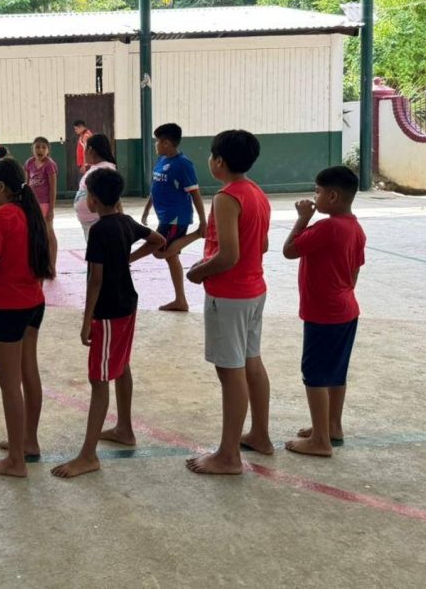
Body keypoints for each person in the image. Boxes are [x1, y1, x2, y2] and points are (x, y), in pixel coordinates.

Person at [52, 169, 165, 479]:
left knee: (100, 380)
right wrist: (130, 259)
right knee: (122, 364)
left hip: (109, 311)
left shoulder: (100, 231)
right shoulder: (126, 222)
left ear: (93, 199)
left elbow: (95, 280)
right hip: (128, 304)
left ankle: (88, 455)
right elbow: (159, 239)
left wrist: (86, 320)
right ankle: (125, 428)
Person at [185, 130, 273, 475]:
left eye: (210, 155)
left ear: (219, 161)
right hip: (254, 291)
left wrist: (199, 271)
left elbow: (229, 255)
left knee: (230, 371)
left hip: (230, 294)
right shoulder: (257, 193)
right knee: (251, 362)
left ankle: (228, 455)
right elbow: (261, 246)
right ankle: (260, 435)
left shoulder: (226, 197)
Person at [282, 166, 366, 457]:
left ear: (332, 195)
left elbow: (290, 250)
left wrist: (303, 219)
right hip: (346, 309)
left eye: (317, 192)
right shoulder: (355, 227)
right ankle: (332, 426)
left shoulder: (326, 227)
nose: (314, 198)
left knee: (315, 374)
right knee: (335, 372)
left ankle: (320, 440)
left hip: (324, 313)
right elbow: (354, 274)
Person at [0, 158, 55, 478]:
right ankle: (28, 441)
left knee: (9, 382)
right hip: (34, 303)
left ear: (0, 188)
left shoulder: (1, 216)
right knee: (28, 372)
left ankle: (15, 460)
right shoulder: (32, 212)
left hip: (9, 307)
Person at [141, 123, 208, 312]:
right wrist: (147, 210)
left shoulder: (183, 164)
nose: (156, 145)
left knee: (159, 250)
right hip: (164, 217)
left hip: (176, 217)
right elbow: (156, 189)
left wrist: (203, 221)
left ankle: (197, 234)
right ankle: (181, 300)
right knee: (171, 257)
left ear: (167, 143)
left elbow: (195, 193)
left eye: (158, 142)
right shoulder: (161, 161)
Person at [74, 134, 119, 241]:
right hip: (91, 222)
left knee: (100, 254)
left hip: (97, 221)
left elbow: (114, 198)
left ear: (90, 150)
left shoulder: (105, 169)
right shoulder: (96, 168)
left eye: (84, 150)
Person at [25, 136, 59, 273]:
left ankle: (52, 266)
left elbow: (53, 188)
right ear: (32, 148)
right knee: (33, 234)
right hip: (32, 205)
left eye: (44, 147)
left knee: (49, 233)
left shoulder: (49, 165)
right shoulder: (29, 163)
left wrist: (51, 209)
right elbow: (26, 185)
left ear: (48, 150)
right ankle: (37, 264)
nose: (40, 150)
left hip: (44, 204)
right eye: (37, 147)